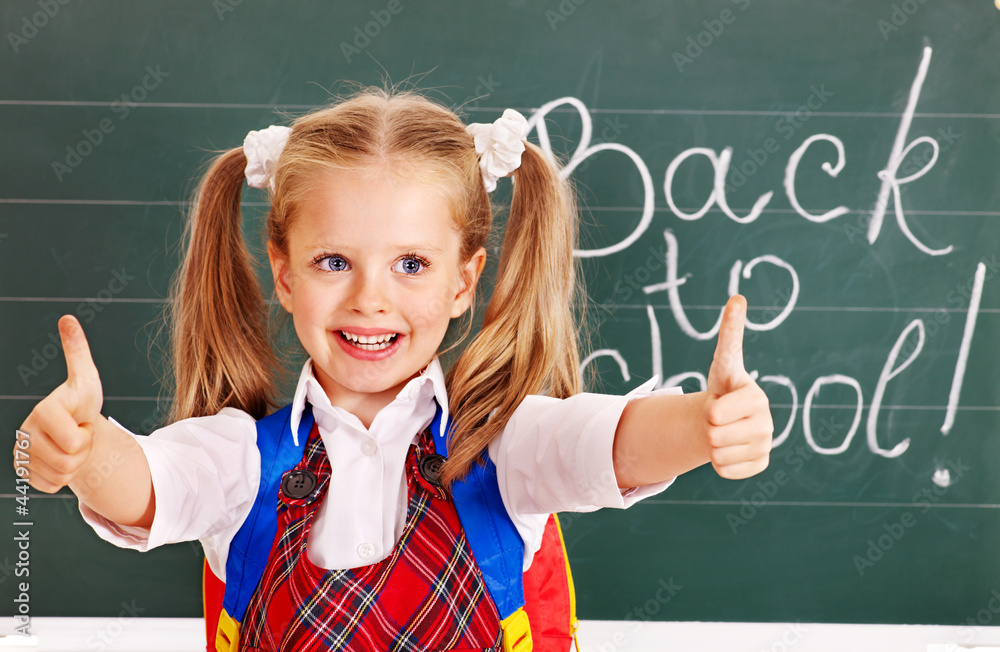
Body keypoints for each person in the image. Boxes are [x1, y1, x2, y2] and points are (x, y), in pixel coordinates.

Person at [16, 89, 773, 650]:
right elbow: (148, 482)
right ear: (284, 274)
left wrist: (702, 426)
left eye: (411, 264)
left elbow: (606, 441)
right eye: (333, 261)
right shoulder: (241, 461)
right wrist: (86, 454)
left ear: (463, 282)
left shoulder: (508, 453)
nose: (370, 298)